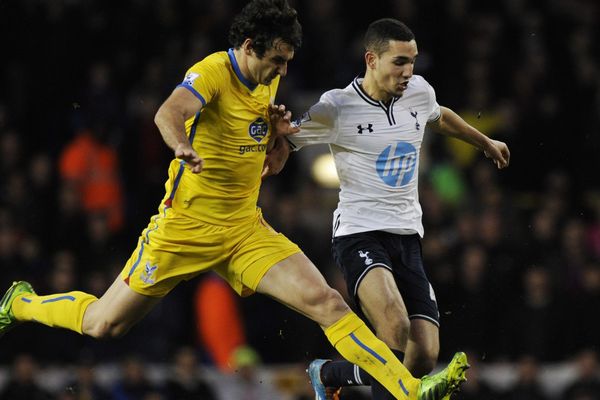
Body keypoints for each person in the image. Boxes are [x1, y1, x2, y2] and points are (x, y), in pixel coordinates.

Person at [0, 3, 467, 399]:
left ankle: (408, 389)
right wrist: (180, 144)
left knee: (327, 302)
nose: (284, 70)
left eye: (287, 60)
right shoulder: (212, 73)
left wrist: (279, 142)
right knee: (104, 325)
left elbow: (261, 137)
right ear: (249, 48)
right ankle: (22, 303)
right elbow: (169, 113)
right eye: (278, 60)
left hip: (245, 229)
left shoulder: (267, 78)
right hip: (185, 228)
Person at [280, 18, 508, 400]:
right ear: (372, 59)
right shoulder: (337, 107)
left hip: (407, 235)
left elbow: (438, 116)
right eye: (399, 62)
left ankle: (331, 372)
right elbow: (287, 143)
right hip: (358, 233)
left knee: (421, 357)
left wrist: (483, 141)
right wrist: (269, 146)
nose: (409, 71)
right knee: (395, 328)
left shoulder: (418, 91)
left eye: (413, 61)